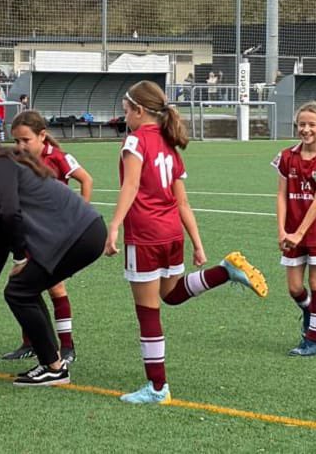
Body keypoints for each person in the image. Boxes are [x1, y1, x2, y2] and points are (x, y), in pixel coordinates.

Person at [105, 80, 268, 405]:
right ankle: (224, 271)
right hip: (171, 234)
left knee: (148, 312)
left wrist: (114, 226)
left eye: (126, 111)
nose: (125, 118)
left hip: (145, 235)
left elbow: (131, 186)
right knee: (171, 294)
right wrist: (198, 243)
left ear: (139, 111)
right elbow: (183, 203)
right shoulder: (170, 145)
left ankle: (157, 388)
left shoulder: (135, 141)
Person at [0, 128, 107, 387]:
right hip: (85, 233)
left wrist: (20, 258)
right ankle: (52, 363)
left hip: (82, 234)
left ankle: (54, 367)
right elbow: (0, 243)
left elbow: (10, 212)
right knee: (23, 288)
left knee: (19, 290)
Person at [2, 109, 94, 362]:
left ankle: (67, 346)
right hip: (31, 233)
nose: (20, 146)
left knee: (55, 287)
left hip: (55, 236)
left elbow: (86, 180)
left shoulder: (58, 157)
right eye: (16, 140)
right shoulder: (17, 160)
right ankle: (30, 343)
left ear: (42, 136)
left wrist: (79, 216)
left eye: (26, 140)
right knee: (22, 285)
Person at [272, 101, 316, 357]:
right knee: (294, 288)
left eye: (312, 124)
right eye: (301, 124)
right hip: (292, 230)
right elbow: (281, 196)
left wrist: (299, 234)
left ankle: (313, 340)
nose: (305, 129)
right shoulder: (286, 157)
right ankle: (309, 310)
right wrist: (282, 231)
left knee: (315, 281)